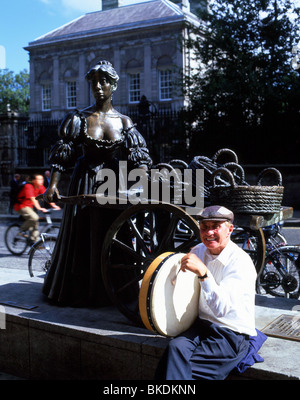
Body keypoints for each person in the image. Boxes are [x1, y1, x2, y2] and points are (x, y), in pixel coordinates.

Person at [42, 60, 152, 307]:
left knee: (112, 233)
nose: (98, 87)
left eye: (103, 81)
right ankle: (81, 291)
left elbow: (140, 155)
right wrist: (53, 184)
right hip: (85, 180)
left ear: (113, 85)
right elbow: (63, 152)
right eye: (94, 82)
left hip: (112, 181)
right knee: (82, 235)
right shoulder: (80, 118)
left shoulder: (124, 122)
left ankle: (114, 290)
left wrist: (141, 182)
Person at [155, 205, 259, 380]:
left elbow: (222, 310)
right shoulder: (198, 251)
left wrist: (204, 273)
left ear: (230, 229)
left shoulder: (241, 262)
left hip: (230, 333)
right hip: (201, 325)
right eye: (204, 227)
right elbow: (178, 282)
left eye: (215, 226)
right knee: (176, 347)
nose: (209, 233)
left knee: (184, 370)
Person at [14, 174, 60, 243]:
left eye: (42, 179)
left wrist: (53, 205)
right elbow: (32, 198)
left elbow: (47, 196)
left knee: (35, 221)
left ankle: (35, 241)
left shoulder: (40, 187)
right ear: (34, 180)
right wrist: (39, 208)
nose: (42, 180)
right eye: (39, 179)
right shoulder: (28, 186)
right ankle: (21, 231)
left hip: (30, 207)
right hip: (21, 206)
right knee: (34, 217)